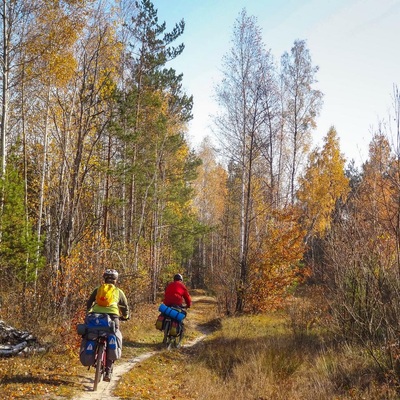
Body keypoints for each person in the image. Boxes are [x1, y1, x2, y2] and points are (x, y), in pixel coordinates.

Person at [86, 269, 130, 382]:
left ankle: (93, 352)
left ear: (104, 279)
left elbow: (89, 302)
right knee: (113, 338)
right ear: (115, 280)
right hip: (113, 317)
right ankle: (108, 371)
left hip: (95, 315)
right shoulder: (119, 291)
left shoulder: (98, 289)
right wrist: (125, 316)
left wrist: (89, 312)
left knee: (92, 333)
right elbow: (124, 306)